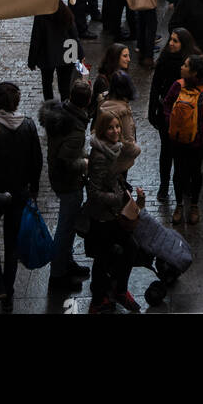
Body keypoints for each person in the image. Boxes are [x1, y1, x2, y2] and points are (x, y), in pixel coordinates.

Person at [0, 81, 43, 313]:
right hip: (19, 193)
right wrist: (33, 187)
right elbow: (37, 160)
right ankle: (9, 294)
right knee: (12, 245)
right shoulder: (29, 126)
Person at [84, 109, 143, 313]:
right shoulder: (100, 155)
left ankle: (116, 291)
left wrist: (122, 188)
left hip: (112, 214)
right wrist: (117, 197)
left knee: (127, 249)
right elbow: (93, 192)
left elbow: (112, 179)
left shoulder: (113, 148)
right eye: (110, 128)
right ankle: (100, 299)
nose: (116, 130)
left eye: (117, 126)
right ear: (102, 130)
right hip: (103, 217)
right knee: (105, 256)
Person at [38, 76, 93, 291]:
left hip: (59, 178)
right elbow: (67, 160)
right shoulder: (76, 129)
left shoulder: (61, 113)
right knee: (65, 227)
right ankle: (58, 273)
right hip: (68, 183)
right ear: (87, 103)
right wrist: (85, 162)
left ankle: (66, 263)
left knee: (67, 227)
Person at [162, 52, 203, 225]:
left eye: (186, 65)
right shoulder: (177, 85)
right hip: (177, 139)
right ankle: (180, 205)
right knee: (179, 172)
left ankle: (194, 205)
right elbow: (167, 104)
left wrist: (202, 129)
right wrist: (171, 121)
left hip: (197, 142)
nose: (182, 67)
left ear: (194, 72)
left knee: (195, 173)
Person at [148, 28, 196, 199]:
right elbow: (155, 86)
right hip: (166, 113)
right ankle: (164, 185)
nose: (171, 43)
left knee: (182, 153)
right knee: (166, 151)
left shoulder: (190, 63)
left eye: (175, 41)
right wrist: (152, 110)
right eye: (171, 39)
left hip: (185, 114)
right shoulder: (164, 59)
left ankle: (183, 184)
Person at [27, 0, 81, 102]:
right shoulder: (65, 12)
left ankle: (50, 108)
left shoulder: (41, 15)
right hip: (67, 53)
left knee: (47, 84)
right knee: (64, 87)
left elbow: (36, 39)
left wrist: (32, 60)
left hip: (47, 54)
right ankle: (65, 109)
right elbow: (74, 35)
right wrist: (80, 54)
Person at [95, 68, 138, 145]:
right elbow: (129, 142)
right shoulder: (123, 112)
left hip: (103, 149)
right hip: (119, 154)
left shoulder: (102, 102)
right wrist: (136, 150)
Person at [91, 42, 132, 110]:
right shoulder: (102, 81)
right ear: (115, 57)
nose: (129, 59)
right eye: (125, 56)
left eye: (128, 55)